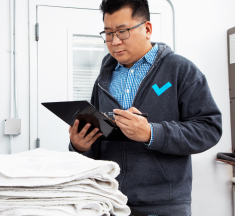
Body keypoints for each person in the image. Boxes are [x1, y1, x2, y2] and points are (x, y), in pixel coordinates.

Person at [68, 0, 222, 215]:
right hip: (107, 201)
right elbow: (97, 140)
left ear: (147, 29)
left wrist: (152, 133)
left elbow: (209, 129)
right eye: (108, 33)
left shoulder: (180, 70)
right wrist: (80, 146)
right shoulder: (103, 79)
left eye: (122, 32)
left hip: (164, 205)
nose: (114, 42)